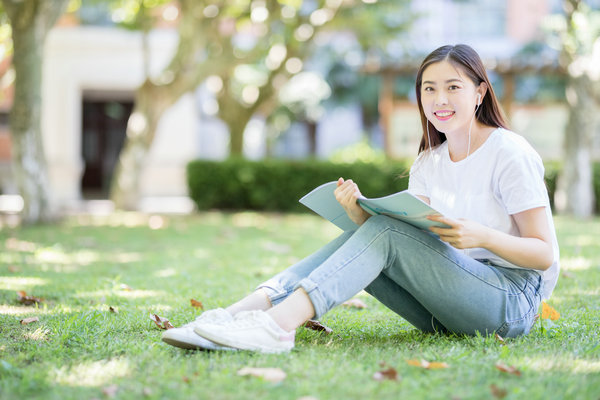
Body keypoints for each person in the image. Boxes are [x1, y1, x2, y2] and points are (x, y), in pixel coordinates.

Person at [162, 44, 560, 354]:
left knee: (385, 232)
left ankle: (276, 327)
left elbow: (543, 254)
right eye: (429, 88)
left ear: (479, 93)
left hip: (510, 302)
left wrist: (483, 237)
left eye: (453, 87)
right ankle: (233, 317)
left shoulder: (509, 152)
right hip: (446, 306)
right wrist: (357, 213)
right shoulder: (428, 161)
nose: (440, 99)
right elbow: (403, 241)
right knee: (375, 231)